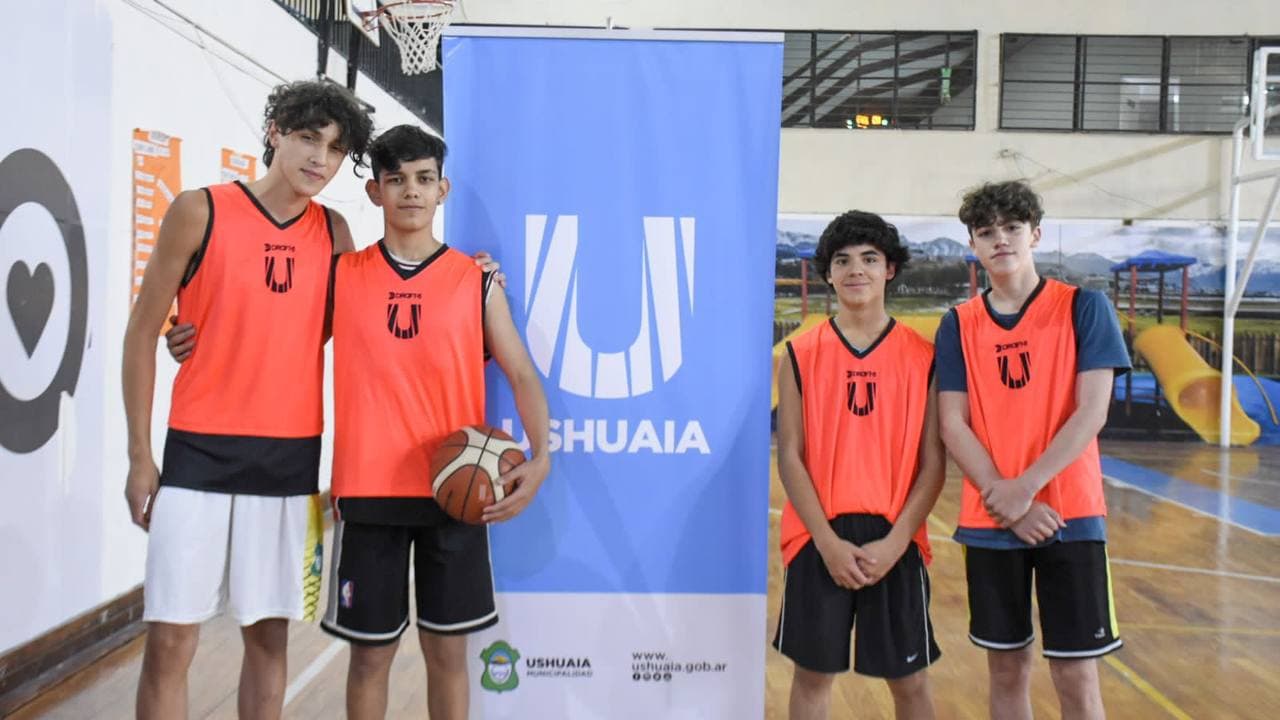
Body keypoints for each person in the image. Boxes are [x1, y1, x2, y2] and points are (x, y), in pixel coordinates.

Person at [124, 79, 374, 720]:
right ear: (275, 133)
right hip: (196, 453)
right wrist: (140, 458)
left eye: (336, 148)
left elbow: (354, 332)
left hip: (289, 460)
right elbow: (140, 331)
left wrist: (477, 276)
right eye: (309, 138)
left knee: (268, 639)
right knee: (170, 642)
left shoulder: (335, 232)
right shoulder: (198, 210)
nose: (321, 158)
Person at [316, 124, 550, 720]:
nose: (411, 191)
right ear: (375, 192)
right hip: (368, 493)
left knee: (448, 656)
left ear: (443, 189)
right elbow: (276, 333)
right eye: (396, 180)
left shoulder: (477, 281)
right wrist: (188, 335)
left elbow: (522, 373)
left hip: (455, 493)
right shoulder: (342, 275)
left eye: (424, 179)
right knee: (369, 659)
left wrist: (541, 457)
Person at [934, 180, 1130, 720]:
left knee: (1075, 673)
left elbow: (1091, 412)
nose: (1000, 239)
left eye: (1012, 227)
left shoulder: (1084, 307)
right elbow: (952, 424)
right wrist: (1008, 501)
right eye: (986, 232)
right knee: (1006, 669)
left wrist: (1024, 489)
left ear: (1035, 234)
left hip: (1070, 514)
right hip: (991, 517)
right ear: (973, 245)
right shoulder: (958, 324)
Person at [773, 210, 945, 720]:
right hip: (818, 535)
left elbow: (933, 462)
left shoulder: (924, 355)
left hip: (896, 535)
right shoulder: (800, 352)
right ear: (828, 273)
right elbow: (790, 454)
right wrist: (826, 543)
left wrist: (896, 543)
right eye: (843, 260)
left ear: (889, 269)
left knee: (910, 680)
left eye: (870, 259)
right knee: (812, 676)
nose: (856, 270)